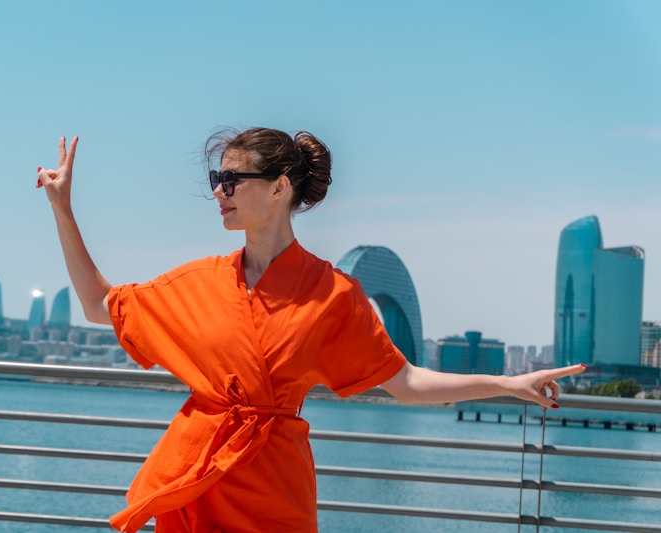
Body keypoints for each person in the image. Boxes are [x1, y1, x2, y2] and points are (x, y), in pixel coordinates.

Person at [37, 128, 585, 533]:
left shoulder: (334, 294)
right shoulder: (197, 282)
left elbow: (407, 382)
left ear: (278, 188)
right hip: (200, 481)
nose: (219, 191)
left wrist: (509, 385)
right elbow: (97, 305)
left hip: (275, 488)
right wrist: (63, 208)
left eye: (231, 179)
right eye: (215, 179)